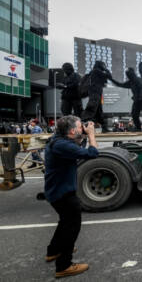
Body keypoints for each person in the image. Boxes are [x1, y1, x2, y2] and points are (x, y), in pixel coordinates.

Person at [44, 116, 98, 278]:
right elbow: (93, 153)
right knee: (72, 227)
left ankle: (53, 251)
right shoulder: (63, 145)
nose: (83, 128)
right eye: (80, 127)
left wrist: (82, 134)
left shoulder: (58, 140)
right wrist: (91, 135)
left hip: (56, 191)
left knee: (64, 222)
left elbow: (74, 144)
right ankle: (64, 265)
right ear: (72, 131)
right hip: (63, 193)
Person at [110, 67, 142, 132]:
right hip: (137, 100)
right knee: (134, 114)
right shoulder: (130, 82)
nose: (128, 75)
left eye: (128, 73)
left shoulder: (138, 80)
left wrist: (140, 97)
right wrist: (111, 79)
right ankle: (138, 127)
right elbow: (120, 84)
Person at [81, 60, 112, 133]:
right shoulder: (96, 71)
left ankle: (104, 127)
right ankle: (83, 124)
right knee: (91, 108)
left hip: (96, 92)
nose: (104, 66)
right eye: (103, 65)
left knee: (99, 111)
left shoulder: (95, 72)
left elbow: (105, 81)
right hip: (95, 92)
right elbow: (109, 76)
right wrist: (106, 70)